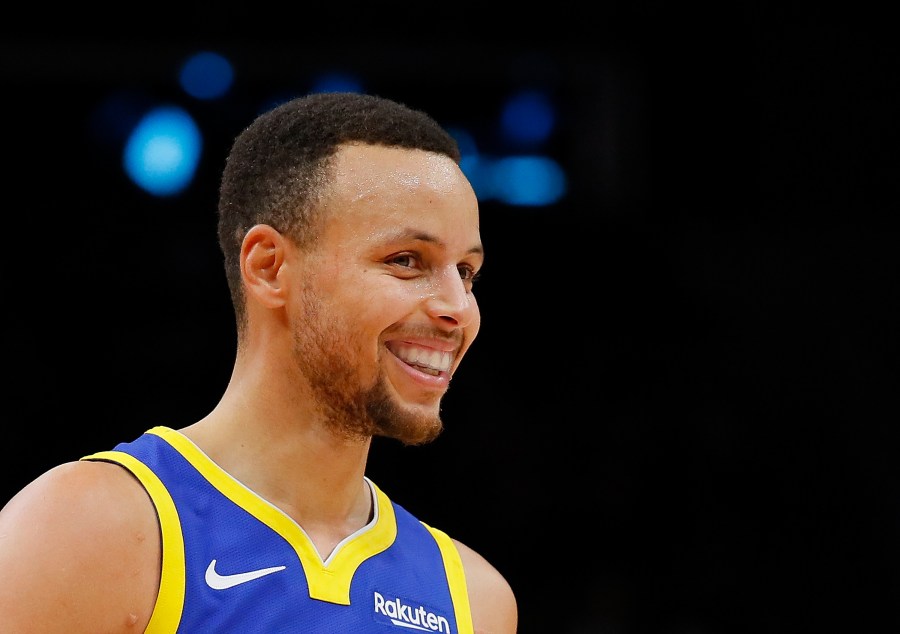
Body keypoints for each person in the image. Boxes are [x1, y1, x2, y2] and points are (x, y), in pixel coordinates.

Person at [0, 91, 517, 633]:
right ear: (270, 267)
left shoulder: (475, 601)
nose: (457, 308)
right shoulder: (92, 530)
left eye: (466, 272)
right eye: (406, 261)